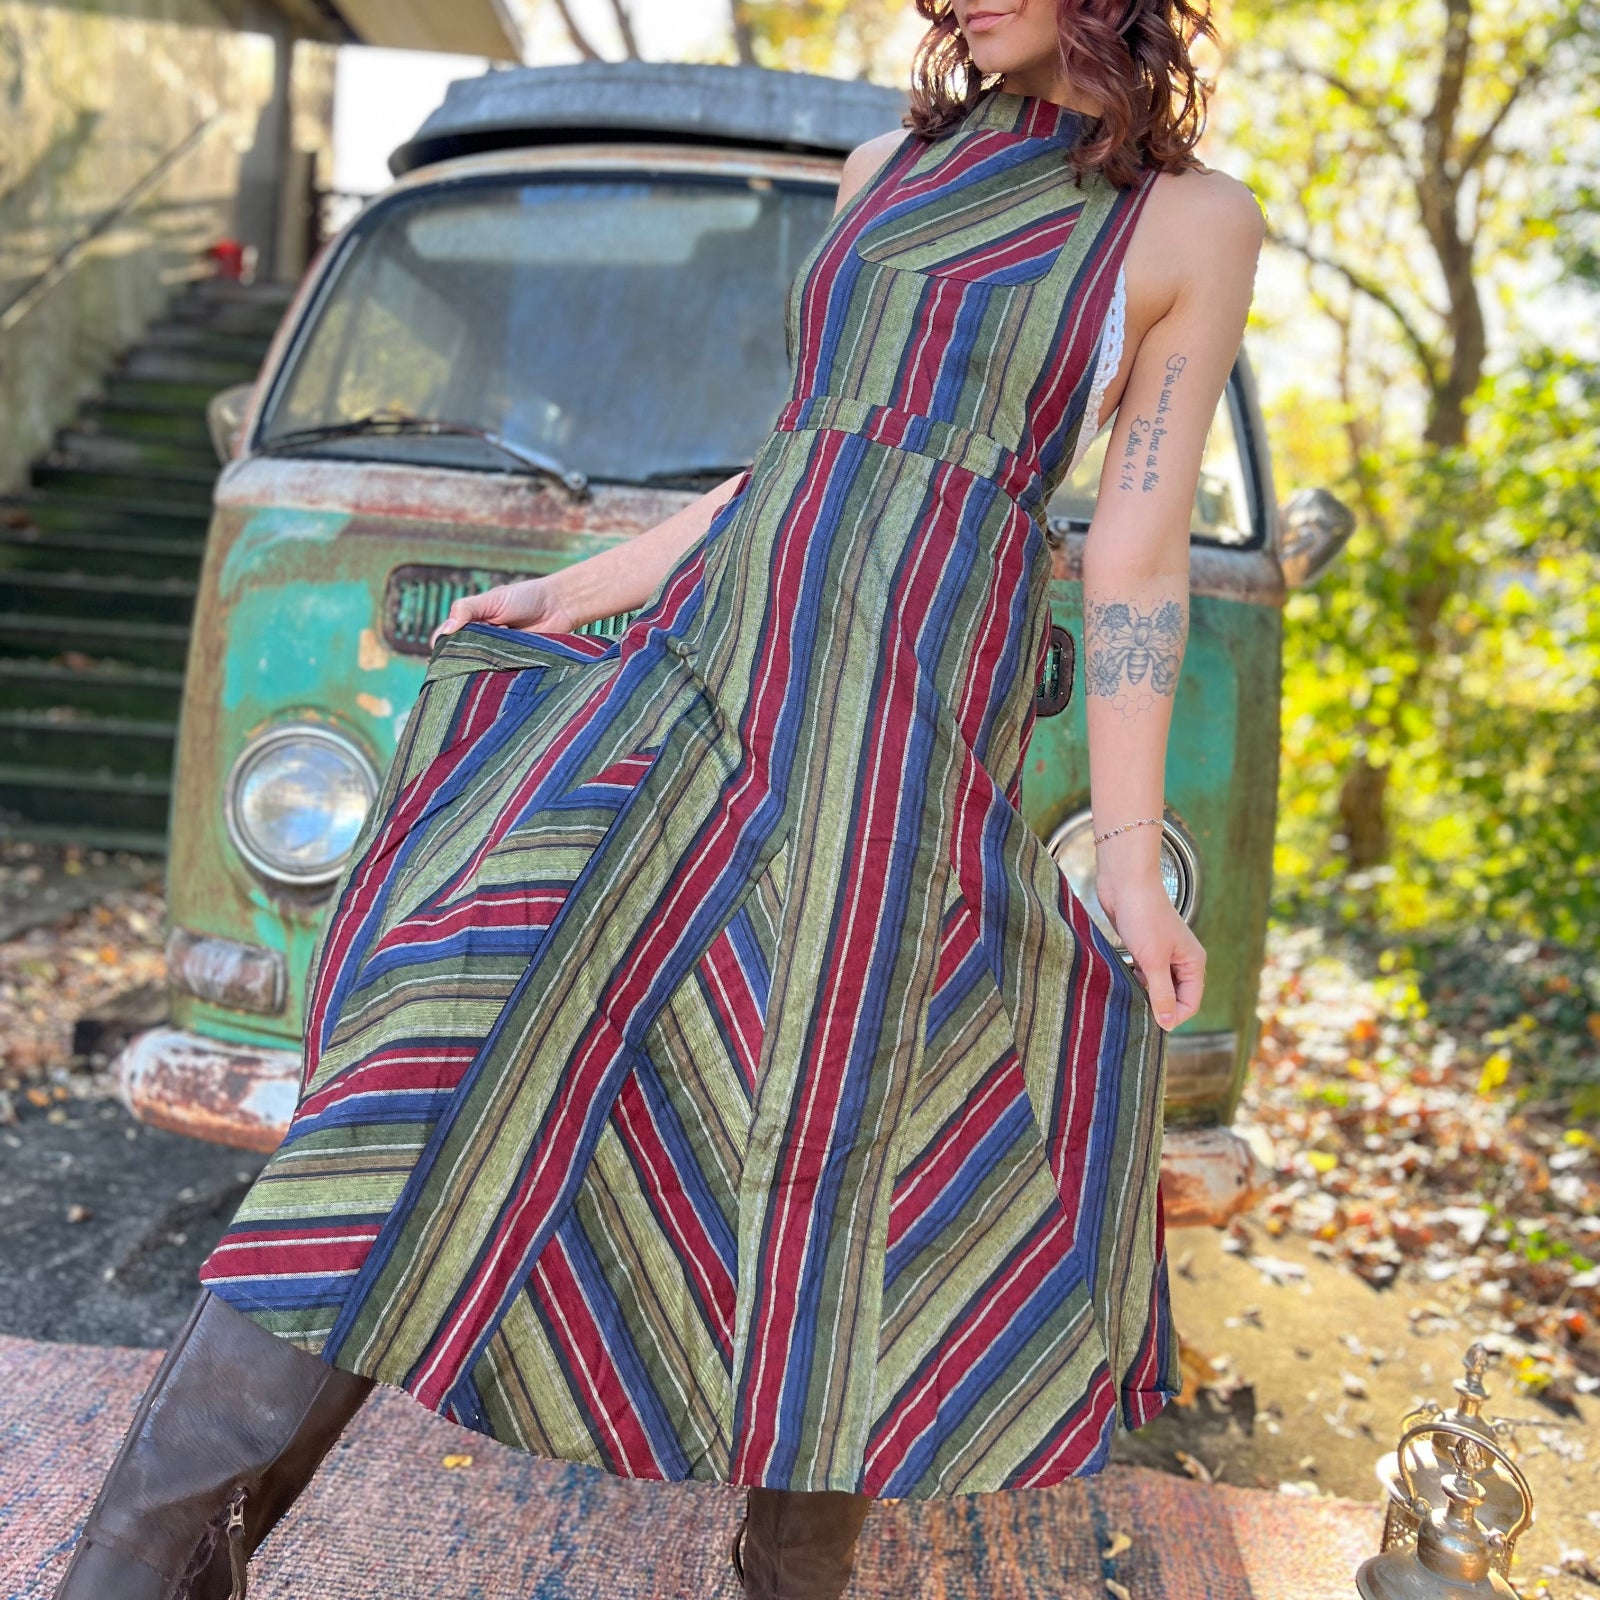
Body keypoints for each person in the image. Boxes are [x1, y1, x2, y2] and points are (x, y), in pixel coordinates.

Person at [55, 0, 1262, 1595]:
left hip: (902, 751)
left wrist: (1126, 856)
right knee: (425, 1079)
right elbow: (799, 456)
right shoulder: (881, 167)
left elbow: (1136, 551)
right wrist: (587, 587)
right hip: (706, 684)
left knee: (847, 1161)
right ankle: (135, 1571)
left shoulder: (1191, 223)